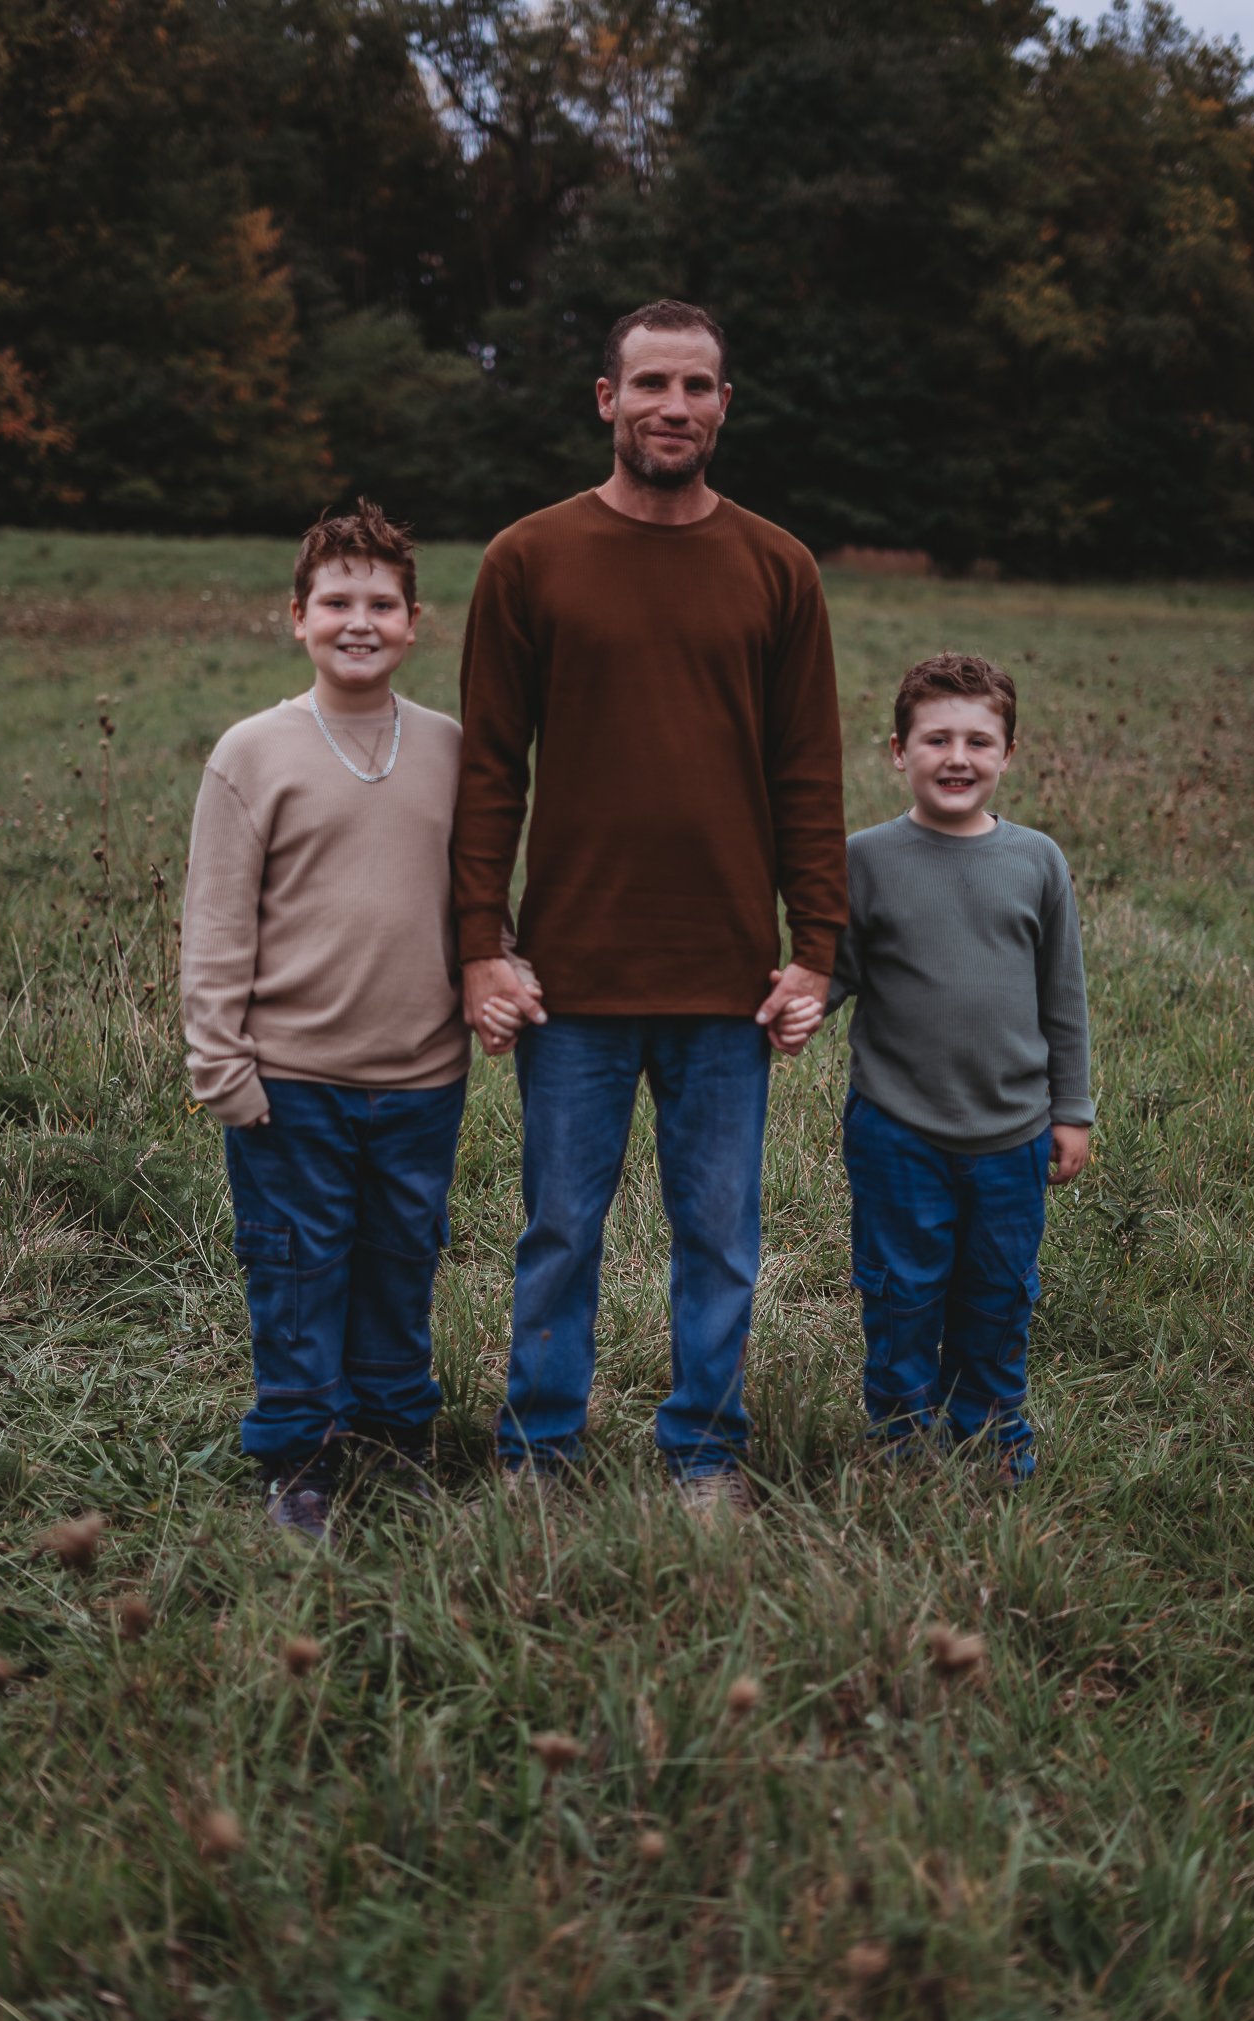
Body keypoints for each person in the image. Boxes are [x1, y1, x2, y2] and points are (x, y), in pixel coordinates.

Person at [453, 298, 846, 1511]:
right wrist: (480, 944)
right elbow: (489, 768)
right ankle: (538, 1453)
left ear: (725, 404)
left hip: (727, 977)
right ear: (606, 399)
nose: (674, 406)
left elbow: (808, 773)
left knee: (719, 1237)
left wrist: (816, 949)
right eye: (652, 383)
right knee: (560, 1230)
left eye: (698, 385)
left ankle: (705, 1454)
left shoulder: (778, 567)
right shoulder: (528, 558)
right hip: (570, 975)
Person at [180, 501, 534, 1542]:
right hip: (291, 1078)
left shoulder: (450, 749)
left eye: (381, 604)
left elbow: (481, 898)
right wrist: (221, 1062)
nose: (359, 621)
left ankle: (392, 1436)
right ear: (298, 616)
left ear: (414, 623)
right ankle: (300, 1456)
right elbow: (216, 921)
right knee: (297, 1269)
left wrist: (505, 966)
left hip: (421, 1078)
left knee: (399, 1260)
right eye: (337, 602)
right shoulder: (253, 753)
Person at [827, 651, 1093, 1480]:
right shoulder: (864, 859)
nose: (956, 758)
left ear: (1007, 753)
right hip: (895, 1128)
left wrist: (1071, 1110)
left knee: (997, 1292)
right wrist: (778, 1008)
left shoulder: (1035, 861)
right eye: (935, 739)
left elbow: (1063, 998)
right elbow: (830, 972)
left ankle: (991, 1432)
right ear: (897, 751)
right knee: (900, 1291)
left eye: (978, 741)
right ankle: (901, 1439)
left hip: (1012, 1134)